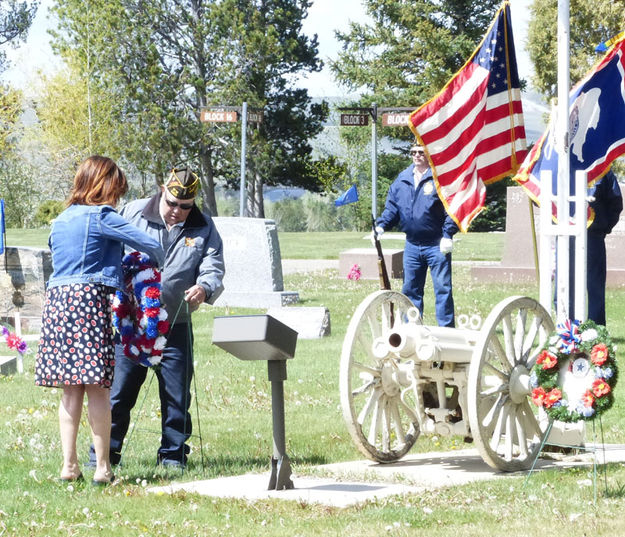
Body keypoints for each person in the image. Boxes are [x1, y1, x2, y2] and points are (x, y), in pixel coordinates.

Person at [34, 156, 165, 485]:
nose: (117, 199)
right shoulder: (102, 215)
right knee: (98, 388)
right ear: (104, 186)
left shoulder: (61, 220)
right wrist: (151, 266)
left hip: (57, 304)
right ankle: (103, 469)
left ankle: (68, 466)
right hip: (88, 303)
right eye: (116, 190)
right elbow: (148, 243)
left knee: (70, 389)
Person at [90, 167, 225, 468]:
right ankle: (104, 456)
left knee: (177, 396)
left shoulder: (203, 226)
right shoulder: (132, 212)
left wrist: (205, 287)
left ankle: (173, 457)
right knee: (118, 394)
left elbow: (213, 265)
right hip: (131, 324)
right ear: (162, 190)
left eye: (185, 207)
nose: (177, 211)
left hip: (175, 323)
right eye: (172, 203)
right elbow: (107, 252)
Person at [375, 143, 458, 327]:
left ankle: (447, 332)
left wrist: (448, 234)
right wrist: (381, 225)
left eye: (421, 152)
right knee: (411, 291)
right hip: (412, 245)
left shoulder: (439, 178)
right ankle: (412, 332)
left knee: (443, 290)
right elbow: (392, 209)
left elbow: (451, 209)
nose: (417, 156)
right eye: (413, 152)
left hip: (437, 244)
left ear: (429, 153)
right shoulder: (402, 179)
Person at [565, 169, 623, 325]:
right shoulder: (562, 166)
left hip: (592, 236)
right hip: (564, 234)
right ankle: (566, 333)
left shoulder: (603, 169)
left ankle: (595, 336)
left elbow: (615, 203)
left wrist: (601, 228)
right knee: (564, 286)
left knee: (594, 287)